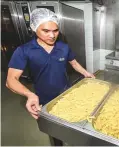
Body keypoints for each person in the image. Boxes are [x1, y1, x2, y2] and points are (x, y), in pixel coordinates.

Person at [6, 8, 94, 145]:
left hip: (67, 95)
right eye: (46, 31)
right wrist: (30, 95)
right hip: (45, 100)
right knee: (55, 133)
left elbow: (74, 63)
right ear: (35, 29)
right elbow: (11, 80)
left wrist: (86, 73)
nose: (52, 35)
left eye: (55, 31)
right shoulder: (24, 50)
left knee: (72, 127)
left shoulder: (63, 47)